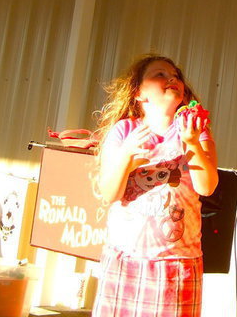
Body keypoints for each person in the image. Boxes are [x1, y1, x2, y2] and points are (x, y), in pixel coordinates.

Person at [91, 54, 218, 317]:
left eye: (176, 76)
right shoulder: (124, 131)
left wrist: (193, 143)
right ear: (139, 93)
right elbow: (109, 193)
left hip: (177, 264)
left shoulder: (195, 131)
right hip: (126, 258)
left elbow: (207, 187)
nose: (172, 78)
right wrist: (126, 154)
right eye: (160, 74)